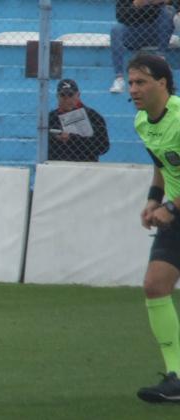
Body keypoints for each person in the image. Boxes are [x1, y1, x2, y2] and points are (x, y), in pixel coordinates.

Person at [127, 54, 180, 402]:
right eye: (130, 82)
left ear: (163, 82)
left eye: (141, 82)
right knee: (155, 285)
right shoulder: (142, 121)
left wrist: (172, 207)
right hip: (175, 214)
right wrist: (153, 198)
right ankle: (176, 377)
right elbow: (161, 165)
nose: (133, 89)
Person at [110, 0, 174, 93]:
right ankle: (119, 78)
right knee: (116, 29)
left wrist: (150, 2)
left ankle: (161, 57)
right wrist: (136, 6)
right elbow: (121, 17)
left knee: (168, 11)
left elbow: (172, 4)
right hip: (134, 34)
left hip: (156, 33)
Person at [48, 79, 110, 161]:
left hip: (85, 165)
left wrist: (72, 138)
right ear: (57, 96)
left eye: (70, 95)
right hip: (58, 165)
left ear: (78, 95)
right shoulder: (51, 117)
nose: (67, 99)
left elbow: (103, 147)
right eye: (63, 95)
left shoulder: (93, 116)